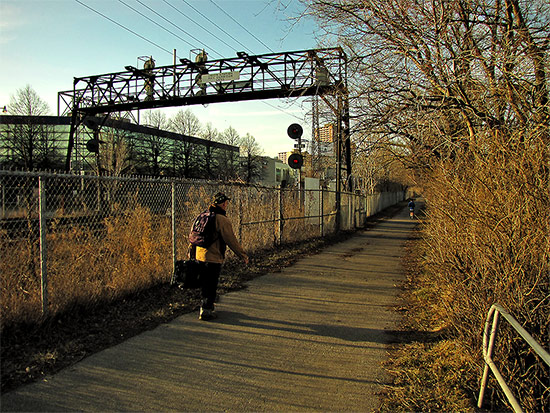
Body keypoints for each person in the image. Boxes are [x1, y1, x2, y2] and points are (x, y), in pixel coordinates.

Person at [190, 192, 249, 321]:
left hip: (200, 255)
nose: (226, 205)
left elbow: (193, 236)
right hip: (212, 257)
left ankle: (205, 306)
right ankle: (206, 310)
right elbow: (230, 240)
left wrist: (191, 254)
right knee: (211, 284)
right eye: (226, 203)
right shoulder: (221, 219)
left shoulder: (203, 216)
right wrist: (242, 255)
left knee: (205, 283)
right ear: (223, 204)